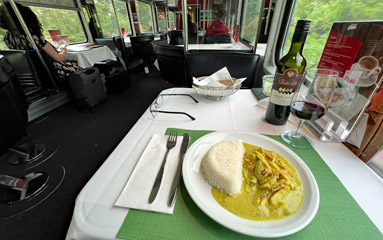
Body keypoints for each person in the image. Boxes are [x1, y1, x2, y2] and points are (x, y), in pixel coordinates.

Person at [2, 2, 82, 77]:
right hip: (54, 71)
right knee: (83, 66)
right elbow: (59, 58)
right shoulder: (33, 37)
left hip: (35, 73)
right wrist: (64, 50)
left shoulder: (8, 37)